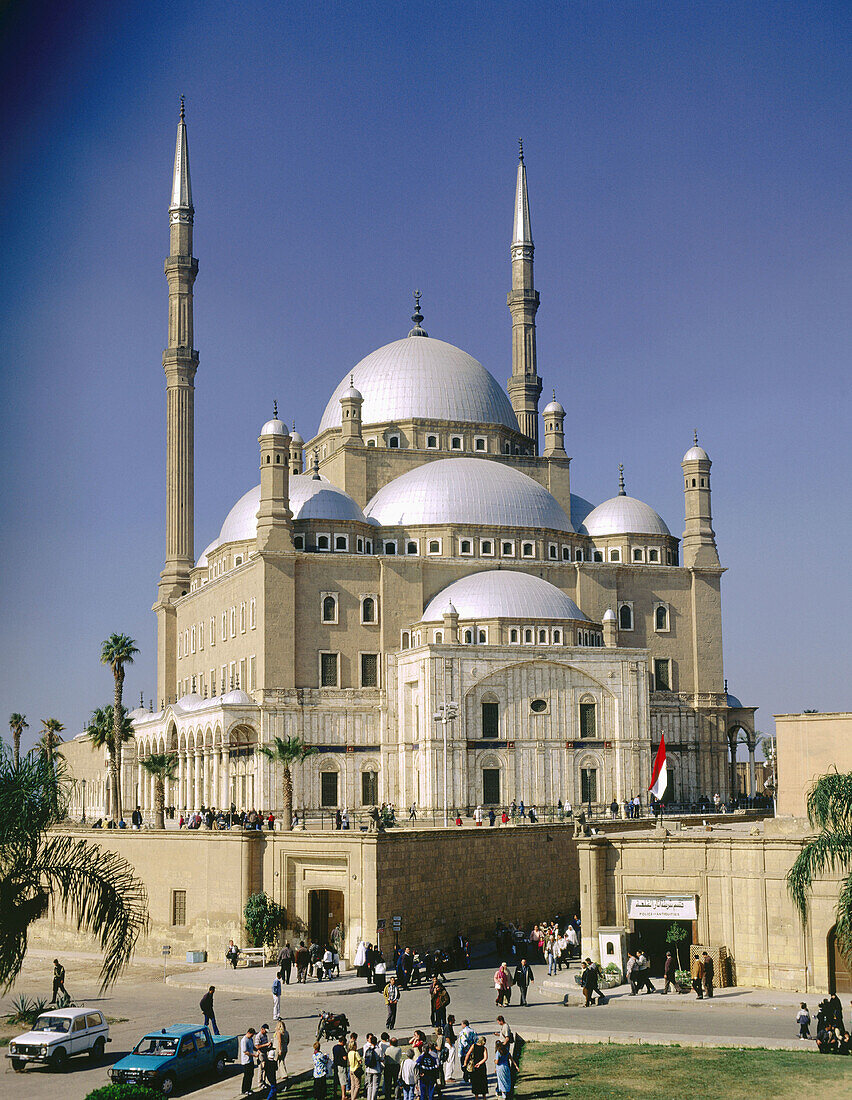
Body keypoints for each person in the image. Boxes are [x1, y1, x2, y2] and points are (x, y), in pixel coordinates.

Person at [363, 1035, 383, 1100]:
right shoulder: (379, 1050)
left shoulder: (367, 1049)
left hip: (368, 1069)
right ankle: (373, 1098)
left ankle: (369, 1098)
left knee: (369, 1085)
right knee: (375, 1085)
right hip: (376, 1069)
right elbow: (382, 1059)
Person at [240, 1028, 257, 1096]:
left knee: (251, 1075)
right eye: (251, 1035)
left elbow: (253, 1047)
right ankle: (244, 1090)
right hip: (246, 1061)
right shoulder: (244, 1040)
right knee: (247, 1076)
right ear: (248, 1033)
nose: (252, 1036)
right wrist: (254, 1055)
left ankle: (249, 1088)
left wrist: (257, 1050)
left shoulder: (250, 1039)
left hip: (251, 1060)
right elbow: (245, 1052)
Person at [332, 1035, 349, 1100]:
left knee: (336, 1080)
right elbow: (344, 1058)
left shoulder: (334, 1047)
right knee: (343, 1081)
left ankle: (335, 1093)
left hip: (336, 1065)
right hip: (341, 1066)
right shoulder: (341, 1048)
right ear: (342, 1042)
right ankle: (343, 1095)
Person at [443, 1015, 458, 1083]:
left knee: (451, 1061)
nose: (455, 1020)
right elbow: (447, 1037)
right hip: (449, 1045)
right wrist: (451, 1045)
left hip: (450, 1044)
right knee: (450, 1061)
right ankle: (447, 1076)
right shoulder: (448, 1027)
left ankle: (449, 1075)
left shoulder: (449, 1026)